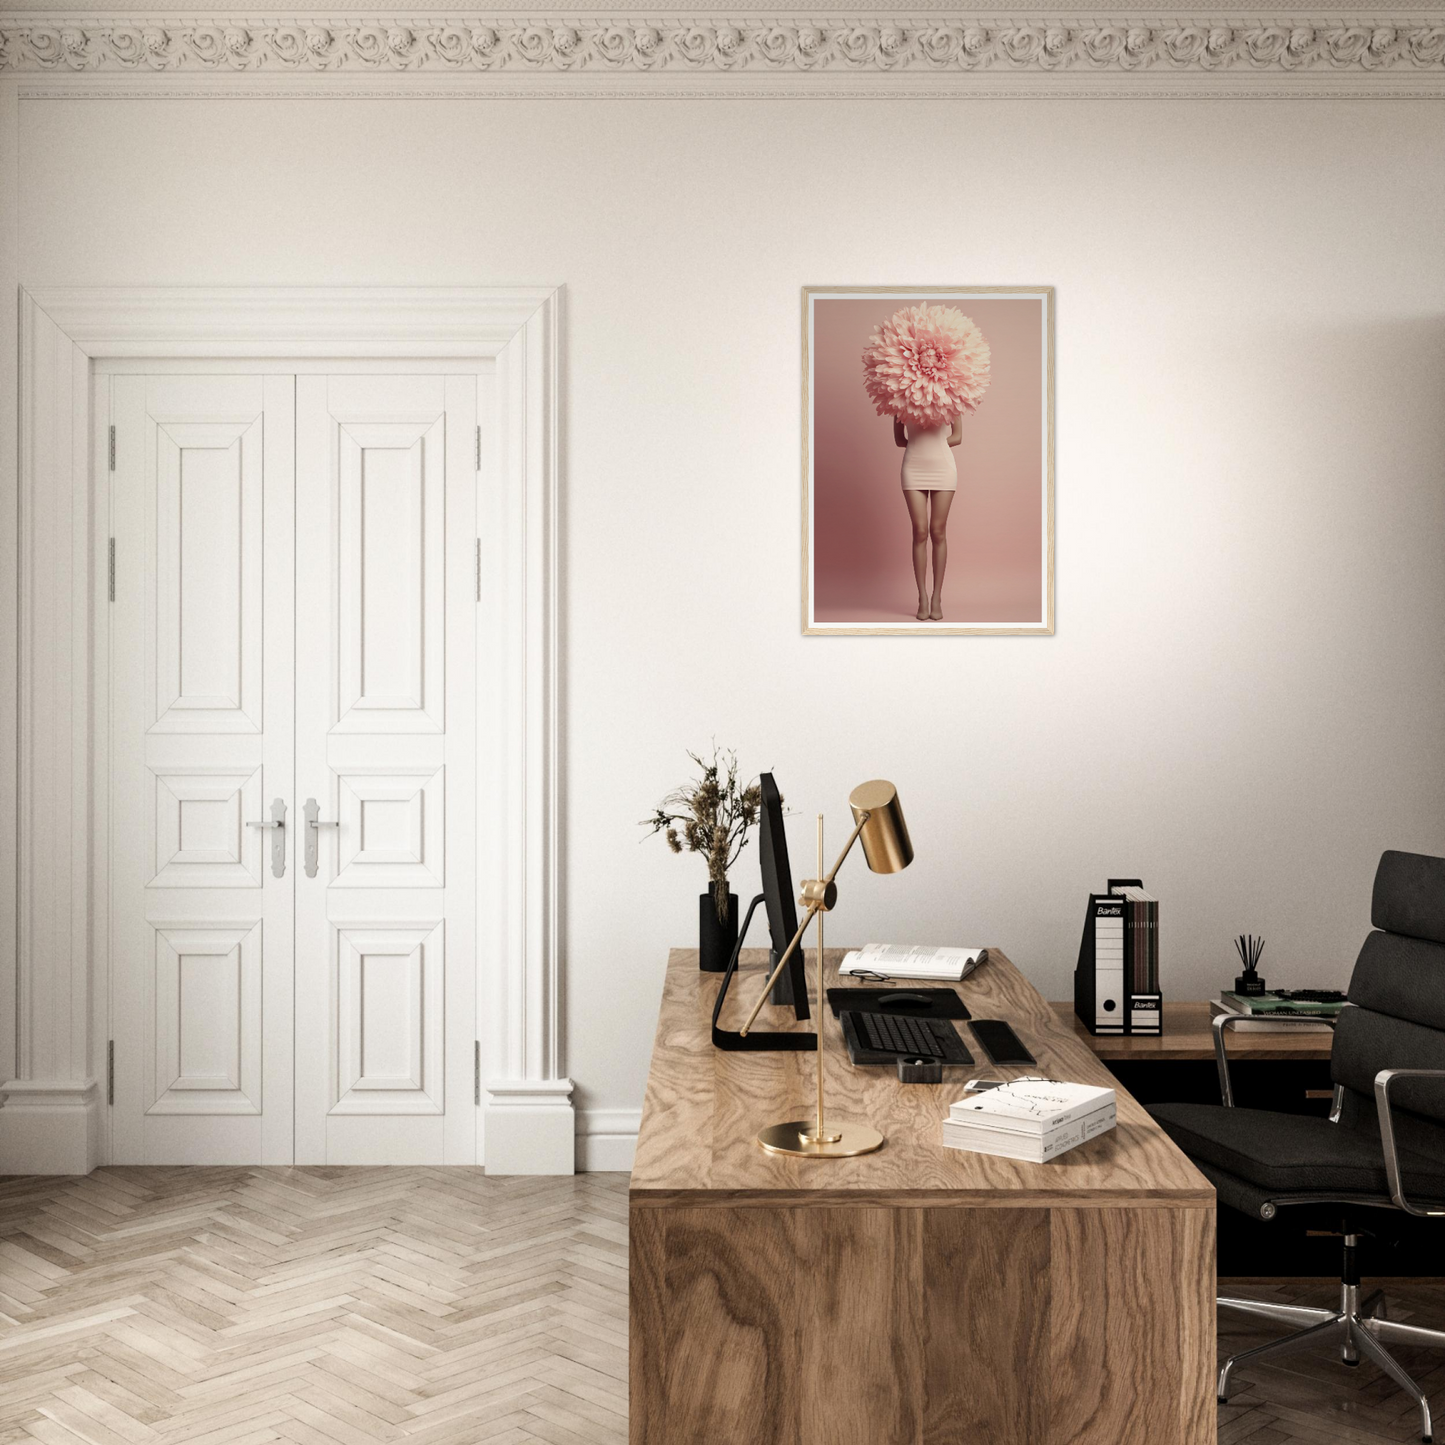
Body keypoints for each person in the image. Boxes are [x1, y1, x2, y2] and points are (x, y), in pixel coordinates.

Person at [894, 415, 963, 621]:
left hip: (943, 467)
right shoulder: (900, 401)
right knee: (920, 531)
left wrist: (935, 445)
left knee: (938, 531)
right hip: (913, 467)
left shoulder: (952, 397)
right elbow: (899, 439)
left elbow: (958, 436)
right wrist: (920, 447)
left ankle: (936, 598)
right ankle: (922, 597)